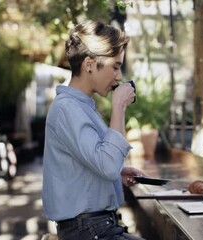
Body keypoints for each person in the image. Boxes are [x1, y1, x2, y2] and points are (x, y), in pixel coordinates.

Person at [42, 20, 146, 240]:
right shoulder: (67, 109)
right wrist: (119, 106)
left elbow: (96, 163)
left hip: (97, 228)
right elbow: (106, 164)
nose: (118, 77)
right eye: (115, 67)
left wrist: (117, 174)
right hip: (89, 231)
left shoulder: (81, 106)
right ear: (89, 64)